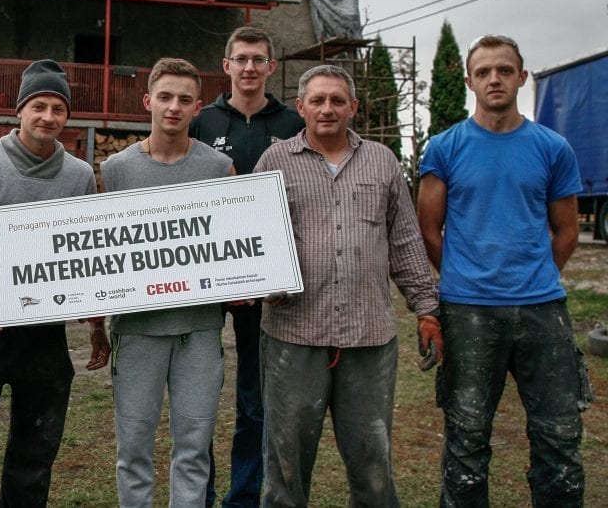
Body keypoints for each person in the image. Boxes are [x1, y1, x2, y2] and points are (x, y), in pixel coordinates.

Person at [252, 65, 441, 507]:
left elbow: (405, 240)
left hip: (368, 337)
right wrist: (262, 280)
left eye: (337, 100)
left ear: (353, 107)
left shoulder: (382, 161)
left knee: (372, 460)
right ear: (300, 107)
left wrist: (426, 308)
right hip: (294, 334)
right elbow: (252, 237)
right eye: (317, 100)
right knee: (285, 463)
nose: (327, 109)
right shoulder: (274, 161)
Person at [417, 34, 592, 507]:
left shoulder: (553, 148)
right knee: (467, 438)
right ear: (470, 81)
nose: (494, 79)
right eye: (484, 72)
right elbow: (429, 229)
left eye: (504, 70)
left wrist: (534, 277)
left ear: (521, 77)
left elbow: (567, 231)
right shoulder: (444, 148)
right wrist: (465, 276)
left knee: (559, 436)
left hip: (542, 310)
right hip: (468, 312)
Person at [0, 59, 110, 507]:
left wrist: (95, 323)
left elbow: (85, 251)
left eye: (58, 109)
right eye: (38, 106)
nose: (48, 116)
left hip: (44, 335)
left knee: (35, 455)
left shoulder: (79, 175)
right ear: (20, 110)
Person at [101, 57, 235, 507]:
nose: (173, 107)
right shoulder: (116, 169)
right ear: (148, 102)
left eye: (184, 99)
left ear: (198, 107)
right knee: (133, 450)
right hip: (137, 330)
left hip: (199, 329)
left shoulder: (220, 167)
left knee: (194, 450)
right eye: (165, 97)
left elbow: (239, 239)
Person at [189, 25, 302, 507]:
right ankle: (199, 494)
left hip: (267, 278)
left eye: (258, 59)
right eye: (242, 59)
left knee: (256, 399)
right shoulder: (202, 122)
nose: (250, 67)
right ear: (227, 65)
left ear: (271, 67)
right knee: (198, 395)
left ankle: (244, 496)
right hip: (208, 273)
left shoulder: (293, 122)